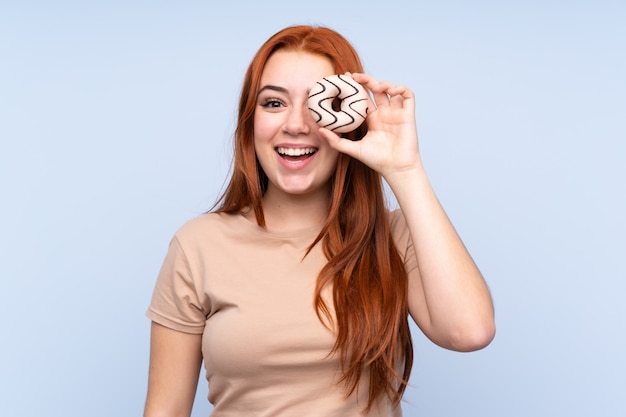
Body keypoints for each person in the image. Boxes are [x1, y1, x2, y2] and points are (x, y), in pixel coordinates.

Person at [143, 25, 495, 417]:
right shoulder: (198, 245)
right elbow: (164, 410)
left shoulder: (394, 237)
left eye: (317, 104)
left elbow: (470, 332)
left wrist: (406, 169)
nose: (296, 125)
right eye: (274, 103)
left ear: (351, 118)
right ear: (250, 121)